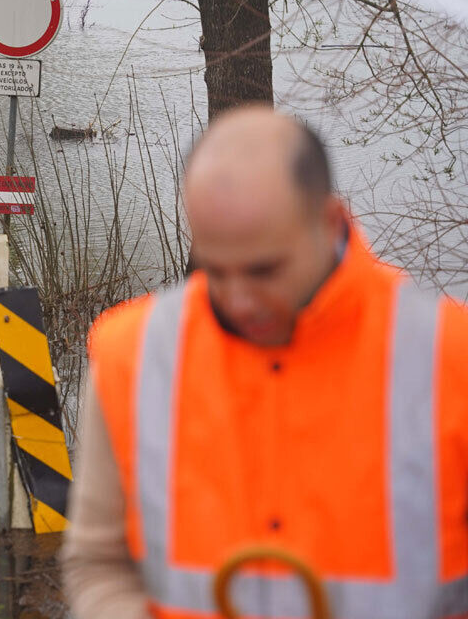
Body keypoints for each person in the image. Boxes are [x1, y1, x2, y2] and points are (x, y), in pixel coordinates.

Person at [60, 104, 468, 618]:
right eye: (216, 268)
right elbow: (98, 563)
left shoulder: (452, 359)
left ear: (328, 220)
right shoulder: (131, 355)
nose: (240, 299)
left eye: (264, 269)